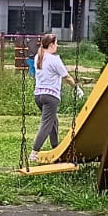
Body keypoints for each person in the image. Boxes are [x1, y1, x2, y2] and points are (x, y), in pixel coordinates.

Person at [29, 33, 83, 162]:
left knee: (53, 122)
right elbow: (66, 77)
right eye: (56, 43)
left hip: (39, 95)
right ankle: (34, 153)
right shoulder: (54, 59)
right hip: (50, 96)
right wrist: (77, 88)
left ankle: (55, 148)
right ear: (51, 45)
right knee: (46, 124)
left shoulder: (38, 57)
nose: (57, 45)